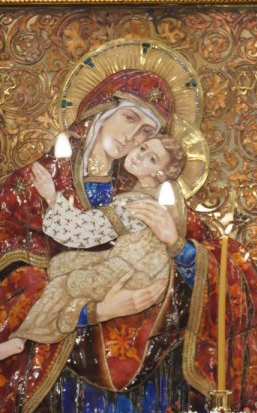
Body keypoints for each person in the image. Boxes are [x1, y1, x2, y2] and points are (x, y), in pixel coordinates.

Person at [0, 47, 257, 413]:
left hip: (148, 369)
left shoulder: (144, 195)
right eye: (132, 120)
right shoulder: (30, 185)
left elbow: (225, 261)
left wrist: (181, 251)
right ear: (100, 110)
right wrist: (88, 311)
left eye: (151, 134)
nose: (137, 140)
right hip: (62, 371)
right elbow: (13, 269)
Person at [0, 137, 187, 357]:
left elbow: (82, 232)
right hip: (129, 265)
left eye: (152, 159)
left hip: (132, 275)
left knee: (65, 284)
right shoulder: (149, 197)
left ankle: (22, 339)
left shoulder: (137, 203)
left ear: (161, 174)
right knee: (61, 264)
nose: (139, 155)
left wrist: (51, 196)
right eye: (143, 147)